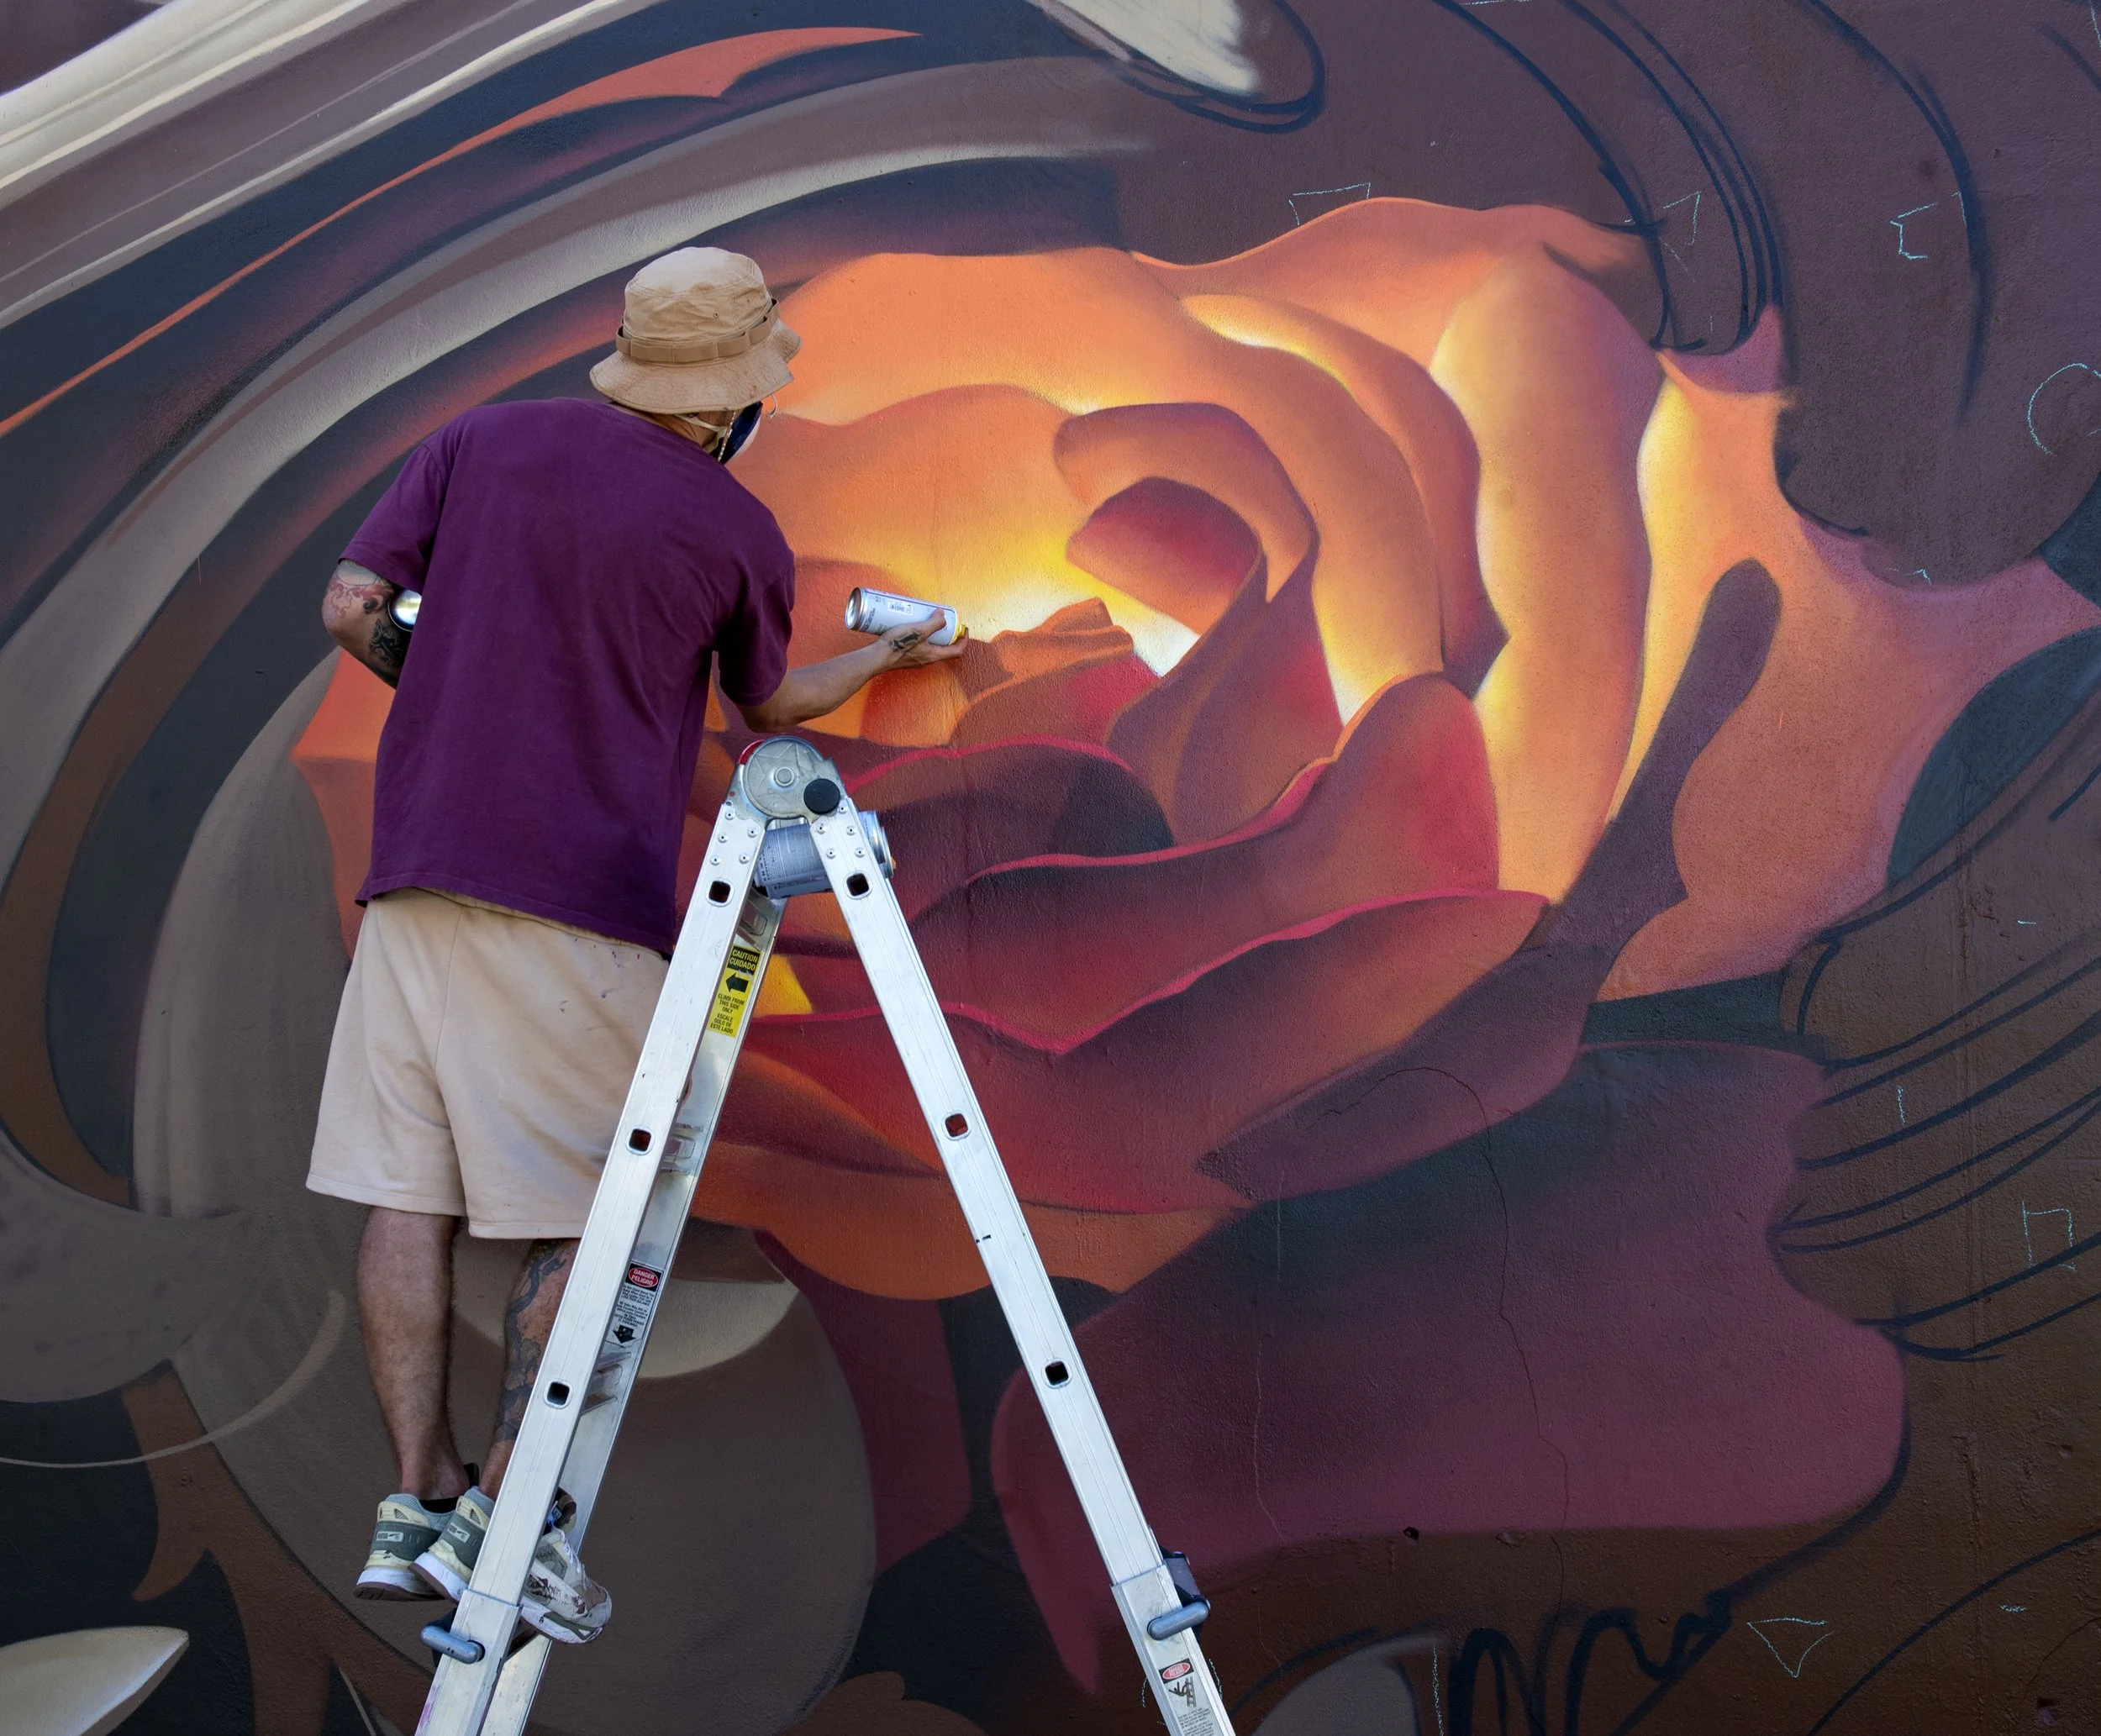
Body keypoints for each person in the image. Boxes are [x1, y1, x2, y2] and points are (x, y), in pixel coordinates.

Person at [306, 246, 962, 1644]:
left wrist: (455, 698)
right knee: (600, 1227)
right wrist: (900, 658)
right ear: (730, 400)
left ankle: (414, 1503)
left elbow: (354, 606)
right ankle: (506, 1515)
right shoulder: (730, 531)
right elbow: (769, 709)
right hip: (575, 904)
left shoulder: (479, 442)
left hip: (415, 878)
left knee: (405, 1195)